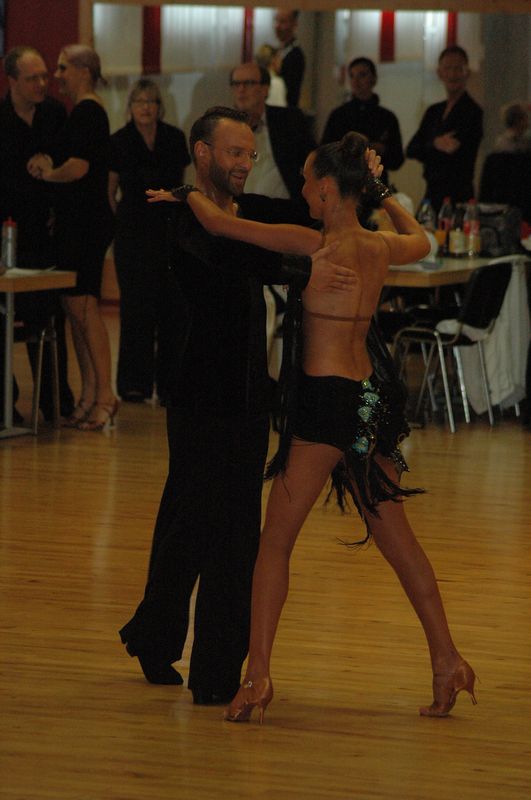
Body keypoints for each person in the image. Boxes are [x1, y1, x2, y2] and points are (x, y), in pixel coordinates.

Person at [176, 132, 477, 723]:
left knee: (274, 544)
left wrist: (185, 189)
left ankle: (258, 676)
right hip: (369, 402)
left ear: (329, 191)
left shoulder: (312, 243)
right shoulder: (380, 246)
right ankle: (448, 660)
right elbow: (424, 240)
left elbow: (220, 225)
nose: (303, 187)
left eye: (310, 179)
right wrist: (382, 191)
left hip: (326, 405)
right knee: (400, 543)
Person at [118, 106, 356, 705]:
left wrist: (357, 179)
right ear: (202, 153)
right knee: (193, 522)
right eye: (234, 152)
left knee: (234, 532)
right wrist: (300, 268)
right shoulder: (178, 215)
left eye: (250, 153)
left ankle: (214, 671)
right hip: (197, 394)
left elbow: (312, 210)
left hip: (249, 397)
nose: (245, 163)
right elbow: (225, 260)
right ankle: (159, 637)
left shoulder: (244, 212)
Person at [28, 45, 117, 431]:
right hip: (74, 224)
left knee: (84, 308)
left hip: (85, 225)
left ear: (83, 70)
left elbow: (79, 168)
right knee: (74, 310)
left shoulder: (88, 112)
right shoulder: (80, 112)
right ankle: (88, 394)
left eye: (63, 68)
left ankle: (106, 396)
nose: (57, 75)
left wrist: (48, 174)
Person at [0, 45, 74, 424]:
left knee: (48, 315)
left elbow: (66, 159)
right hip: (5, 235)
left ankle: (54, 400)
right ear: (12, 80)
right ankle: (4, 403)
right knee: (2, 317)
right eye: (33, 78)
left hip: (45, 232)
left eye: (44, 76)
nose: (43, 83)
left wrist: (50, 161)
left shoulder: (54, 114)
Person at [108, 79, 190, 404]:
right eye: (140, 101)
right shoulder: (119, 140)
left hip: (169, 231)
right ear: (130, 107)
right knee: (135, 308)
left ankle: (170, 385)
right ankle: (134, 384)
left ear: (160, 107)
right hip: (132, 234)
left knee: (172, 307)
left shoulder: (174, 138)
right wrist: (122, 223)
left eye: (151, 101)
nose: (146, 107)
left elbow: (184, 186)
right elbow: (110, 192)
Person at [406, 45, 483, 213]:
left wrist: (430, 147)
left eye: (458, 69)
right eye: (448, 68)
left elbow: (455, 151)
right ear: (439, 73)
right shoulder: (434, 112)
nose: (453, 74)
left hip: (459, 195)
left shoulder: (472, 112)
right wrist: (435, 144)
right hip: (432, 192)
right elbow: (411, 149)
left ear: (467, 73)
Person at [321, 57, 404, 186]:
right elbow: (325, 153)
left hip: (376, 185)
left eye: (362, 75)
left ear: (374, 79)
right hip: (344, 186)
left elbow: (397, 160)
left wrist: (381, 151)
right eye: (352, 76)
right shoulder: (339, 116)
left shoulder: (387, 118)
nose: (356, 81)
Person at [273, 8, 305, 108]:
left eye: (283, 22)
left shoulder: (295, 55)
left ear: (294, 25)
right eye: (276, 20)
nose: (277, 26)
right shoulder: (278, 51)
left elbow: (291, 91)